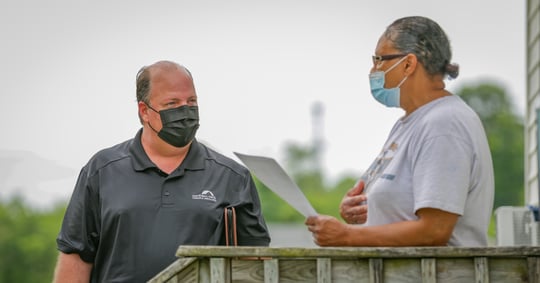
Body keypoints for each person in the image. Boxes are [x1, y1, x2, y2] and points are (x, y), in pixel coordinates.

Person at [53, 60, 271, 282]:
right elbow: (76, 256)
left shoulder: (232, 177)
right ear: (144, 111)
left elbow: (253, 263)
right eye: (172, 103)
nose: (185, 111)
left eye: (191, 101)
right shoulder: (101, 170)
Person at [306, 16, 494, 247]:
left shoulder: (444, 124)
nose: (373, 70)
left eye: (378, 60)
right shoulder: (410, 123)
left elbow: (434, 230)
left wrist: (346, 235)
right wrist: (367, 208)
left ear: (408, 64)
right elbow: (405, 207)